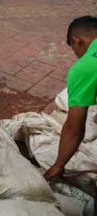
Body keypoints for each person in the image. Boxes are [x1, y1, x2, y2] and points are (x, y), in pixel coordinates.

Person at [44, 16, 97, 180]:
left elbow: (74, 130)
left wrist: (58, 165)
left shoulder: (85, 67)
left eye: (74, 49)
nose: (77, 55)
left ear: (77, 41)